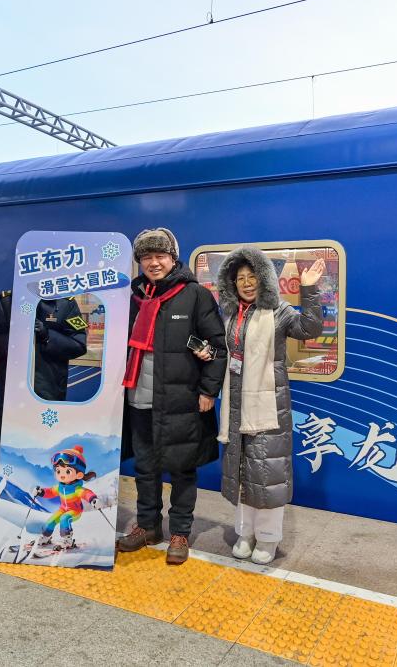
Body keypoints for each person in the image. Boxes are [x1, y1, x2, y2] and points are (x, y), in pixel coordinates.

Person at [204, 247, 324, 564]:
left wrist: (309, 289)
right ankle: (245, 533)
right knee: (242, 471)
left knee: (267, 471)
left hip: (269, 404)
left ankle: (268, 538)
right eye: (240, 278)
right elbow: (223, 352)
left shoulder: (279, 311)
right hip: (236, 404)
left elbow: (310, 329)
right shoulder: (229, 315)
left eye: (252, 277)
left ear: (264, 280)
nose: (246, 283)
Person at [116, 228, 227, 565]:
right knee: (145, 467)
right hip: (138, 398)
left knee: (182, 468)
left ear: (173, 258)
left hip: (182, 400)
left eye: (160, 256)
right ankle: (148, 526)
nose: (154, 262)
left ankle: (180, 531)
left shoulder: (195, 295)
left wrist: (208, 390)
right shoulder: (133, 297)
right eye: (146, 257)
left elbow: (218, 348)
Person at [0, 293, 88, 466]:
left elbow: (79, 344)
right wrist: (18, 338)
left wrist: (47, 335)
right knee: (10, 445)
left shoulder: (65, 303)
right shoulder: (8, 300)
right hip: (11, 388)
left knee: (44, 444)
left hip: (48, 386)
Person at [31, 445, 99, 556]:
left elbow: (86, 493)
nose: (62, 475)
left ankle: (67, 540)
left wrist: (93, 499)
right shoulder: (60, 487)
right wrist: (40, 492)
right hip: (63, 509)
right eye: (58, 471)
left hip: (75, 511)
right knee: (51, 520)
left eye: (67, 472)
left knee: (64, 518)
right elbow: (50, 492)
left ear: (79, 475)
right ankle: (45, 537)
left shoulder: (76, 488)